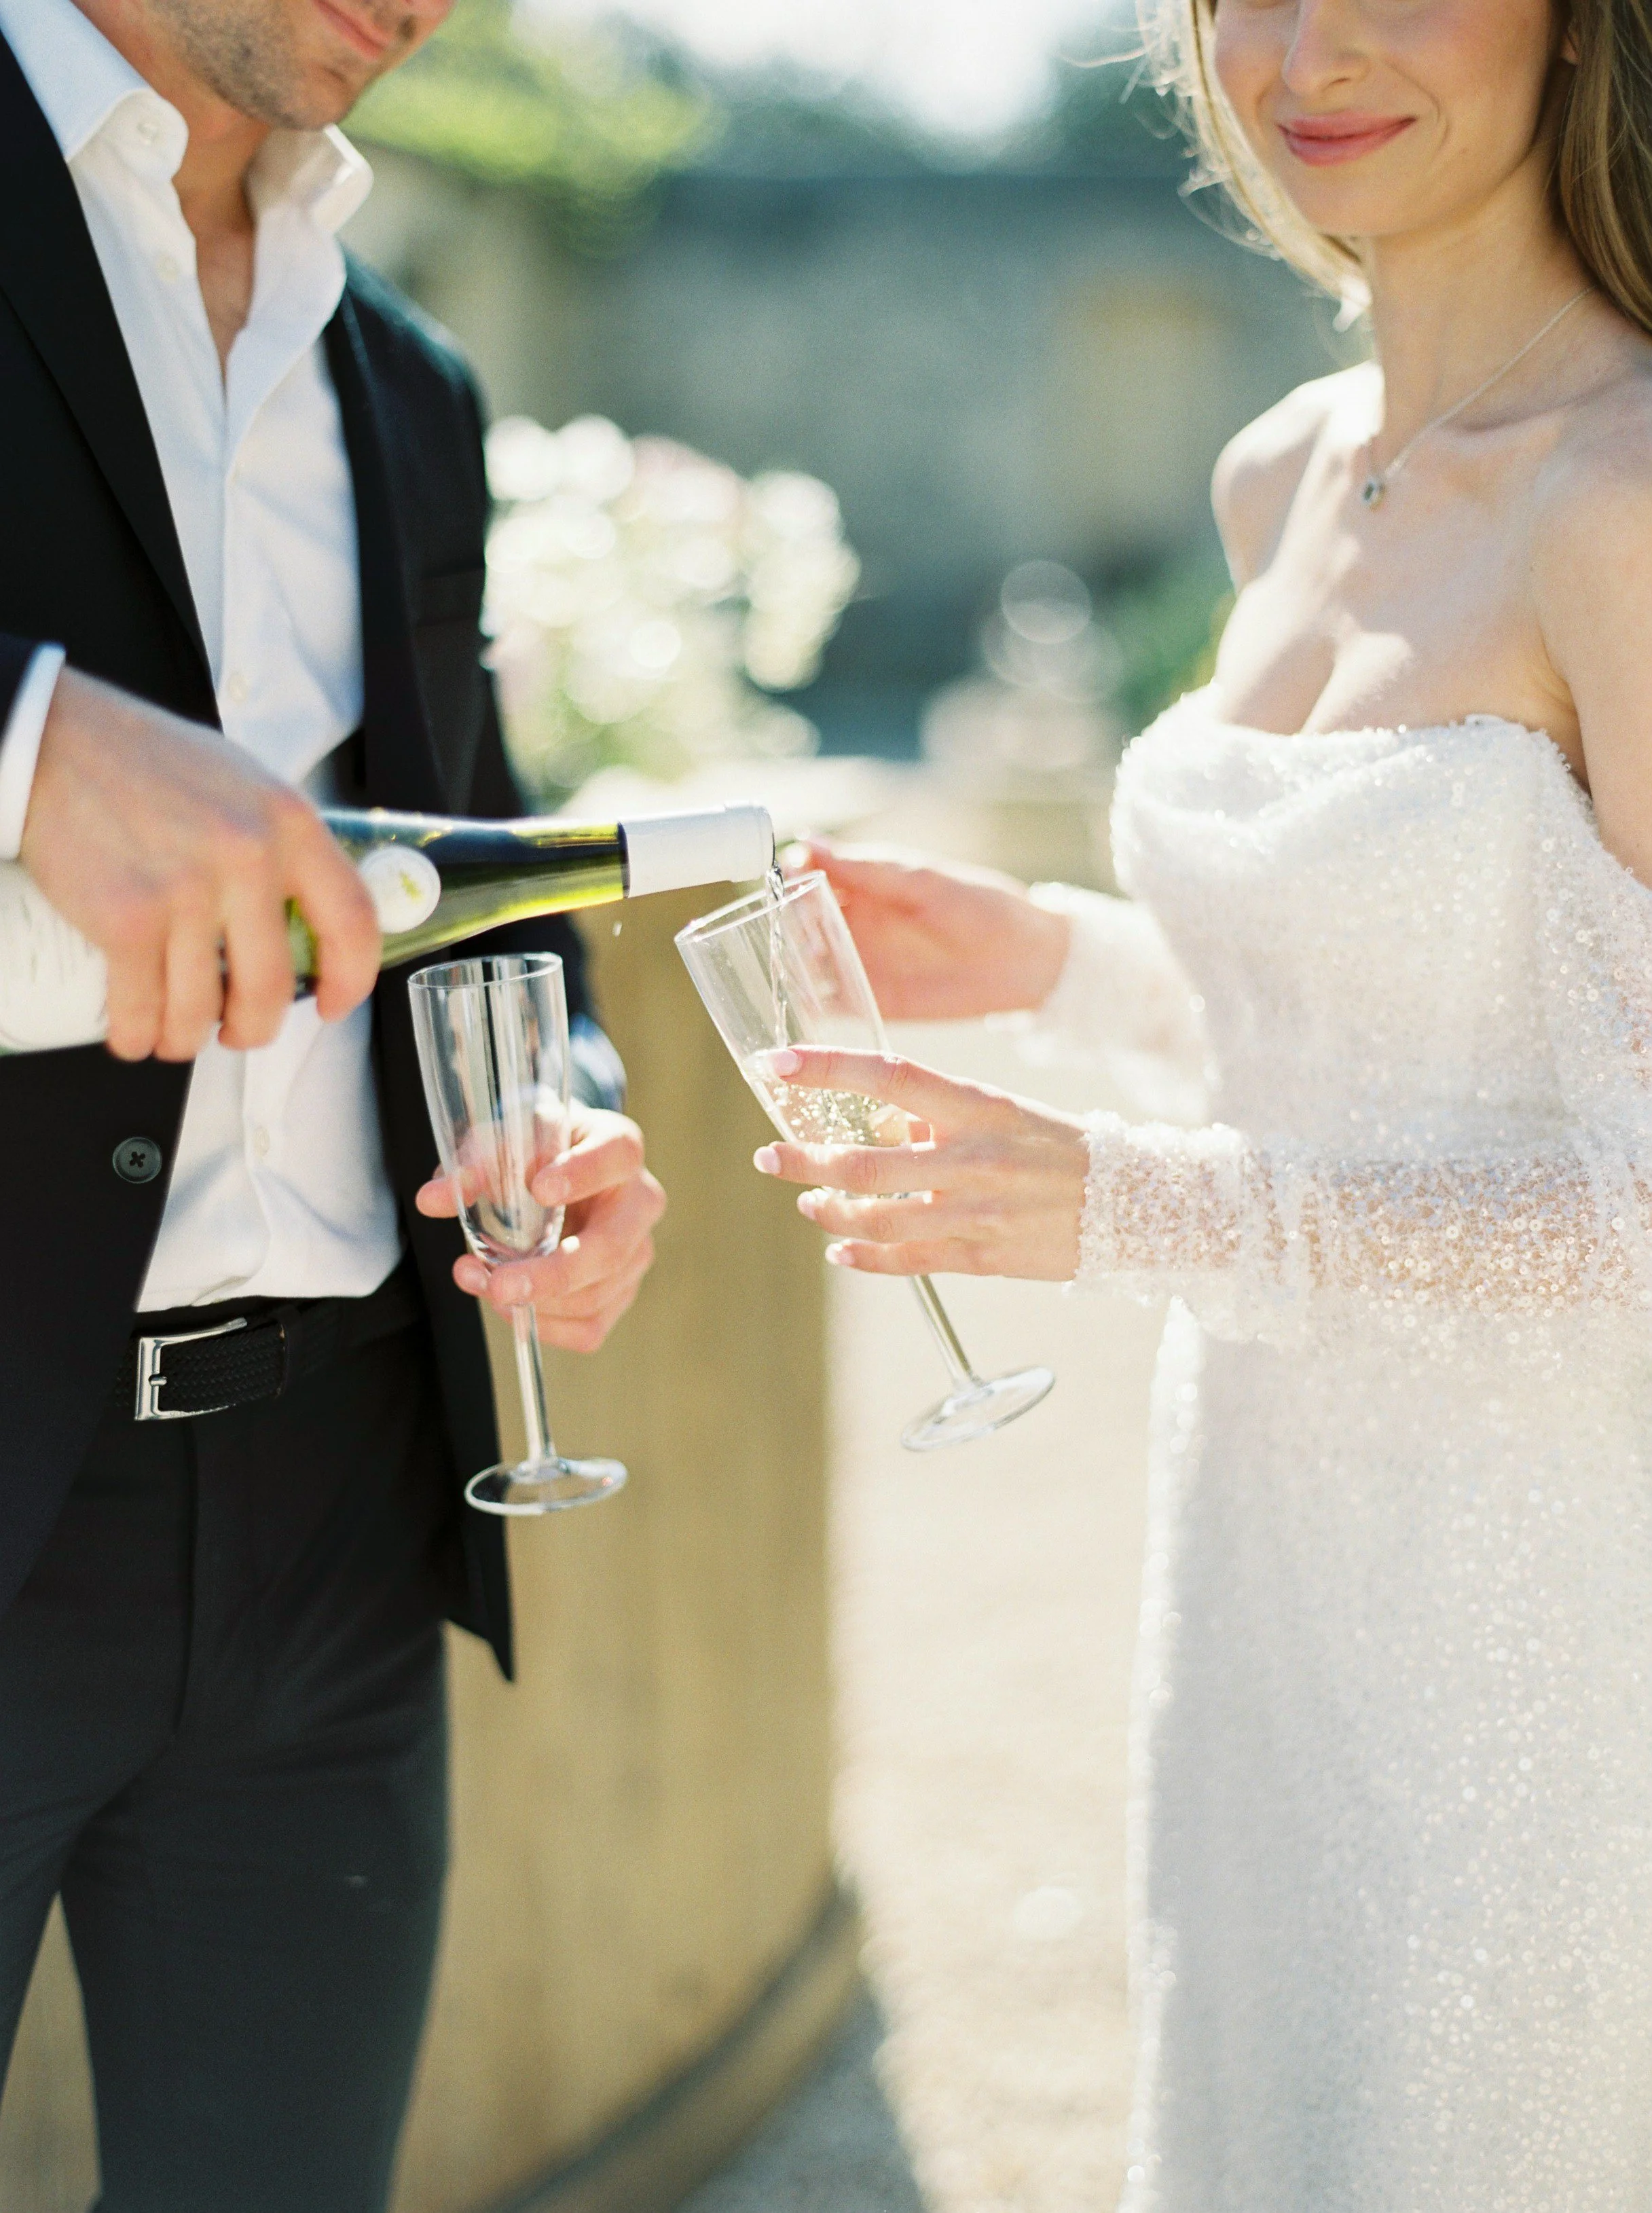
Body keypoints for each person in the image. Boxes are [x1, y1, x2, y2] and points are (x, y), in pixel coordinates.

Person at [756, 0, 1652, 2201]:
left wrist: (1136, 1211)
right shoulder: (1284, 464)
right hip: (1269, 1582)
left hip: (1559, 1633)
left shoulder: (1626, 497)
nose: (1314, 44)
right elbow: (1427, 1036)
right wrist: (1055, 962)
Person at [0, 0, 665, 2205]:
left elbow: (465, 863)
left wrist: (557, 1098)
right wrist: (20, 742)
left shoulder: (407, 379)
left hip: (339, 1537)